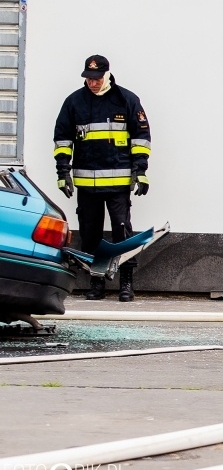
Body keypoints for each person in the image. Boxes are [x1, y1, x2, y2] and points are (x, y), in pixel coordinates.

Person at [53, 55, 151, 302]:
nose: (92, 83)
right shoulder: (74, 102)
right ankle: (96, 282)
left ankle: (126, 283)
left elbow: (141, 138)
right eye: (88, 78)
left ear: (107, 75)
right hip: (87, 185)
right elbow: (62, 139)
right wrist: (63, 172)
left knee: (122, 233)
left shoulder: (126, 100)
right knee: (90, 234)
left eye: (97, 78)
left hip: (118, 184)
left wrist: (141, 172)